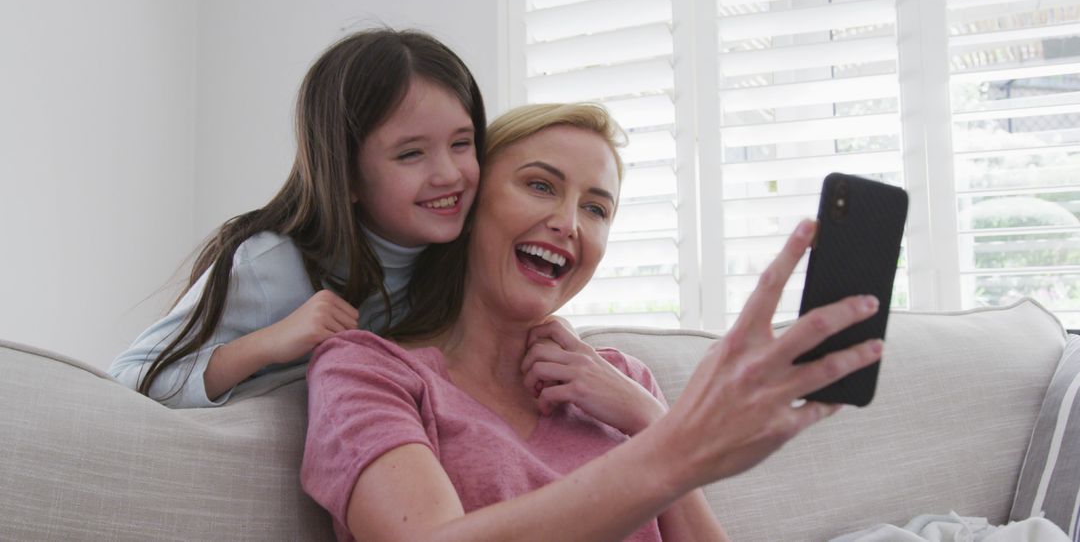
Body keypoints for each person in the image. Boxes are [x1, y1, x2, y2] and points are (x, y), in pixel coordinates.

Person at [301, 103, 884, 541]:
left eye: (595, 207)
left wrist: (649, 418)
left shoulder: (625, 384)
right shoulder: (365, 370)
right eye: (539, 186)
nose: (568, 222)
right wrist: (675, 446)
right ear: (470, 204)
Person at [108, 28, 486, 408]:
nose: (450, 174)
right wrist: (268, 343)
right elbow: (127, 382)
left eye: (461, 144)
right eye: (411, 154)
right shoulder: (271, 264)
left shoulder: (474, 257)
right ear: (346, 173)